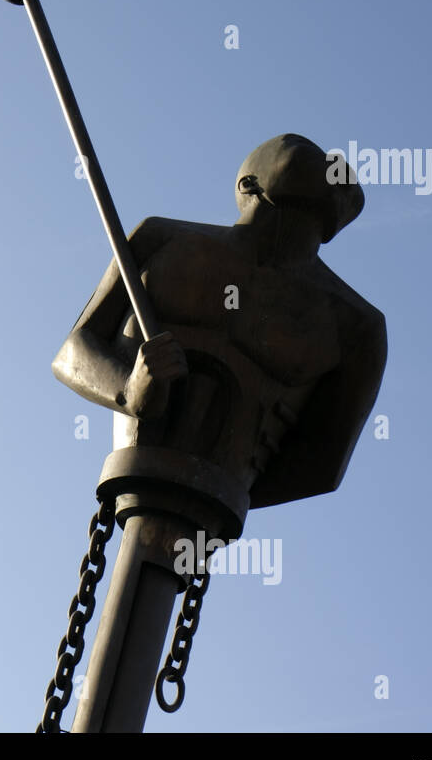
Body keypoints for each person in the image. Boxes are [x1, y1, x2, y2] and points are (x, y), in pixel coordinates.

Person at [52, 134, 387, 509]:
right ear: (250, 182)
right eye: (304, 151)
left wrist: (229, 494)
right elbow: (72, 351)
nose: (333, 162)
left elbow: (324, 463)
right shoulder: (160, 239)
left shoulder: (356, 325)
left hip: (215, 505)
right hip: (136, 470)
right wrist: (128, 390)